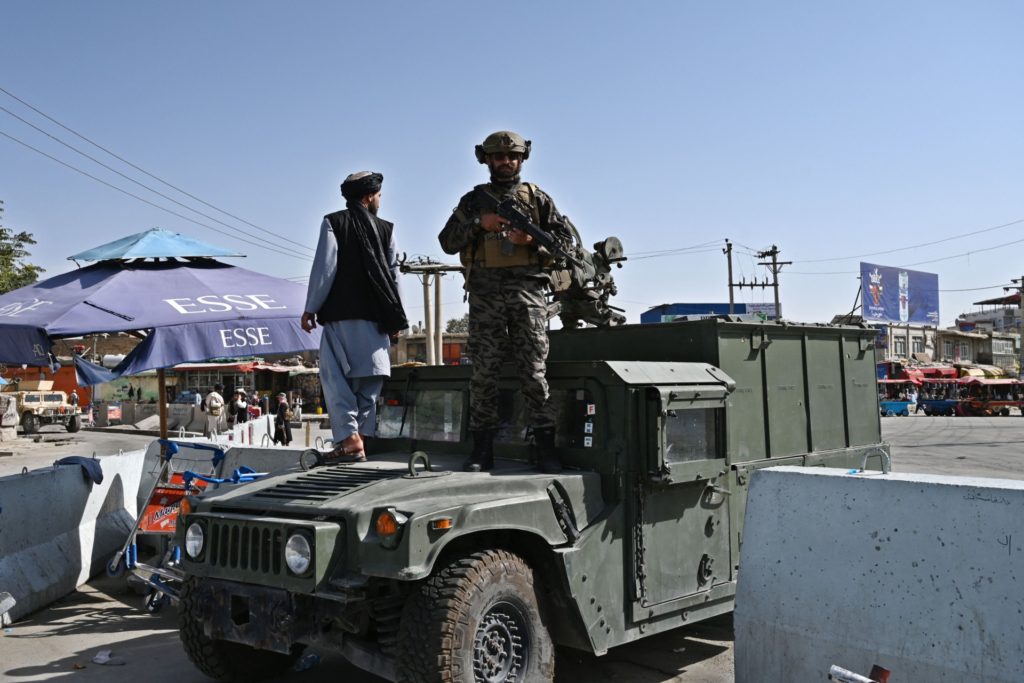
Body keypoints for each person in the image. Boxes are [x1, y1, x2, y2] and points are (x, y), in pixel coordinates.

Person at [438, 131, 574, 473]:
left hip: (528, 296)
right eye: (498, 156)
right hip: (485, 297)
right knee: (484, 375)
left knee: (534, 372)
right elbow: (447, 242)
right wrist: (477, 224)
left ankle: (545, 449)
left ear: (522, 158)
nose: (506, 162)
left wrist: (531, 240)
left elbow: (564, 245)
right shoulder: (474, 201)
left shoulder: (537, 198)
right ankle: (482, 451)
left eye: (512, 156)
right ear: (487, 159)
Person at [301, 171, 408, 463]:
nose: (380, 200)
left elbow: (325, 268)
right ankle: (361, 441)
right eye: (378, 195)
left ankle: (350, 441)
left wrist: (311, 306)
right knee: (368, 383)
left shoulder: (334, 222)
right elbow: (394, 276)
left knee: (337, 380)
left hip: (341, 318)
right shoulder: (387, 228)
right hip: (378, 321)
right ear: (368, 196)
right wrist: (396, 319)